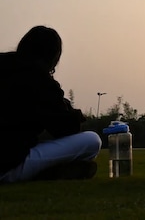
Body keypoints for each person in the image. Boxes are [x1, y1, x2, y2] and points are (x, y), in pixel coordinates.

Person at [0, 26, 102, 183]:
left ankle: (51, 171)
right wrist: (76, 114)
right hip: (8, 165)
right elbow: (66, 128)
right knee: (92, 141)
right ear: (53, 57)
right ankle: (49, 172)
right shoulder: (38, 79)